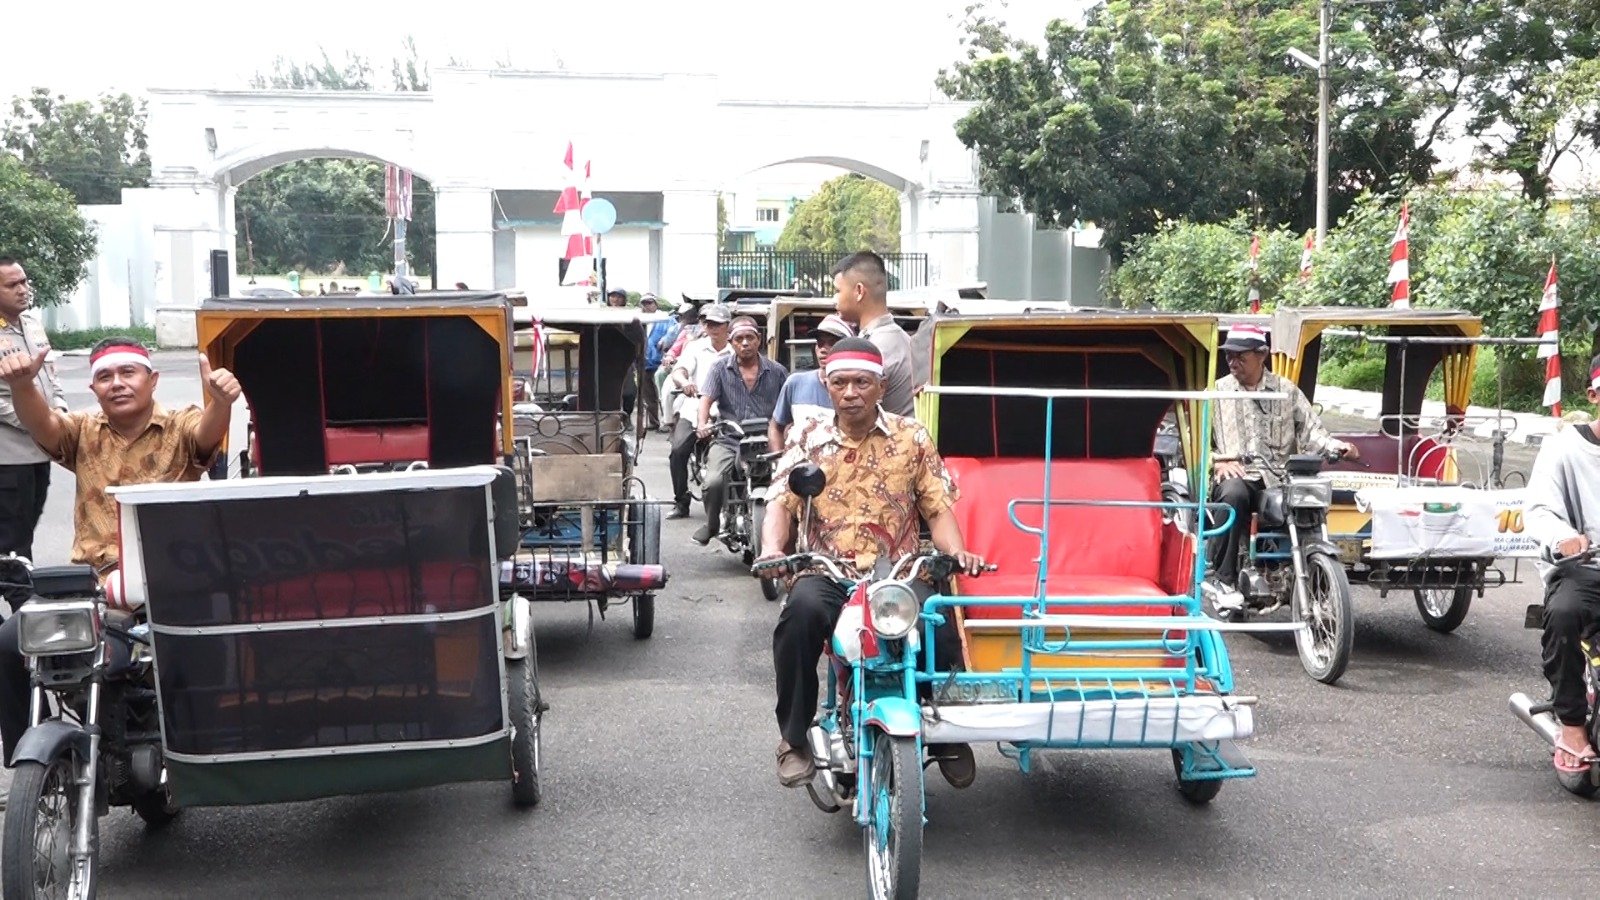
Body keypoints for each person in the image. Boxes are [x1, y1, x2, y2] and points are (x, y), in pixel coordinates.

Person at [0, 338, 242, 764]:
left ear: (153, 380)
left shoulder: (180, 424)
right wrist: (22, 387)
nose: (117, 383)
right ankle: (27, 763)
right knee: (9, 641)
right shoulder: (83, 431)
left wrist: (221, 403)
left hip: (167, 582)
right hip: (92, 587)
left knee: (200, 657)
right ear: (93, 389)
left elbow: (206, 435)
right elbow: (45, 426)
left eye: (128, 373)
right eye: (105, 376)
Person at [757, 338, 985, 788]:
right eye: (840, 382)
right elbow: (780, 503)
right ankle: (793, 739)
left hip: (897, 571)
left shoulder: (911, 436)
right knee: (798, 618)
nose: (850, 392)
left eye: (862, 382)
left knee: (938, 618)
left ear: (881, 386)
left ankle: (947, 730)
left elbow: (938, 508)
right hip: (827, 570)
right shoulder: (807, 436)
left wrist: (955, 553)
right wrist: (771, 550)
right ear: (826, 385)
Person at [1206, 323, 1357, 612]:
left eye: (1240, 356)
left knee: (1311, 499)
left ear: (1261, 354)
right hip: (1239, 475)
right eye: (1229, 356)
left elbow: (1312, 432)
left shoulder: (1286, 391)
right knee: (1233, 493)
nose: (1233, 362)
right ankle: (1224, 581)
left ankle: (1313, 574)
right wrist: (1219, 459)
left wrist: (1337, 447)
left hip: (1280, 477)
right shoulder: (1217, 392)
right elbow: (1197, 442)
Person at [1525, 354, 1600, 773]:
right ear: (1593, 395)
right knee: (1565, 614)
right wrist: (1564, 537)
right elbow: (1538, 508)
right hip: (1584, 568)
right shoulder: (1564, 448)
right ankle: (1571, 724)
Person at [693, 316, 787, 545]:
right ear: (731, 342)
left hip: (767, 440)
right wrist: (702, 424)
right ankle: (712, 524)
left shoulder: (777, 371)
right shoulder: (719, 368)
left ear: (759, 340)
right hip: (729, 438)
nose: (745, 343)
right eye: (739, 339)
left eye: (750, 338)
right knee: (713, 482)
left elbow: (789, 405)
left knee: (786, 480)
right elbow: (706, 399)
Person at [0, 258, 67, 566]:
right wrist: (37, 420)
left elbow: (51, 379)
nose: (23, 289)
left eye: (24, 282)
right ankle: (18, 593)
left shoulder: (32, 325)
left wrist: (60, 410)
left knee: (24, 531)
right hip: (9, 458)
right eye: (12, 285)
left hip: (40, 452)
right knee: (12, 542)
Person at [666, 304, 733, 519]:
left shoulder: (735, 350)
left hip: (727, 412)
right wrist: (685, 382)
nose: (712, 328)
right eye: (709, 323)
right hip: (694, 409)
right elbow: (679, 370)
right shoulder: (695, 347)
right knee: (678, 451)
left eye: (717, 324)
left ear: (727, 326)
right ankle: (681, 501)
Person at [831, 251, 915, 416]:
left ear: (859, 291)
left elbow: (855, 418)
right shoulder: (900, 338)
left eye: (838, 291)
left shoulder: (874, 348)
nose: (834, 299)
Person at [767, 313, 854, 449]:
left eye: (832, 343)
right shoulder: (795, 383)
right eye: (820, 343)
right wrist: (779, 458)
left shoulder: (855, 391)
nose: (823, 349)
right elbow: (776, 427)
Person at [650, 301, 686, 433]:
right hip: (681, 366)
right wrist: (670, 356)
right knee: (662, 379)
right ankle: (668, 419)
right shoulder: (683, 331)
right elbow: (673, 347)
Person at [638, 293, 666, 431]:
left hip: (661, 362)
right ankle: (653, 421)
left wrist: (665, 340)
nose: (647, 306)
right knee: (648, 395)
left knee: (662, 393)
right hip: (644, 362)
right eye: (644, 303)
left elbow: (673, 333)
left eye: (650, 303)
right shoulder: (639, 320)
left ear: (655, 304)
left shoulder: (664, 318)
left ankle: (667, 422)